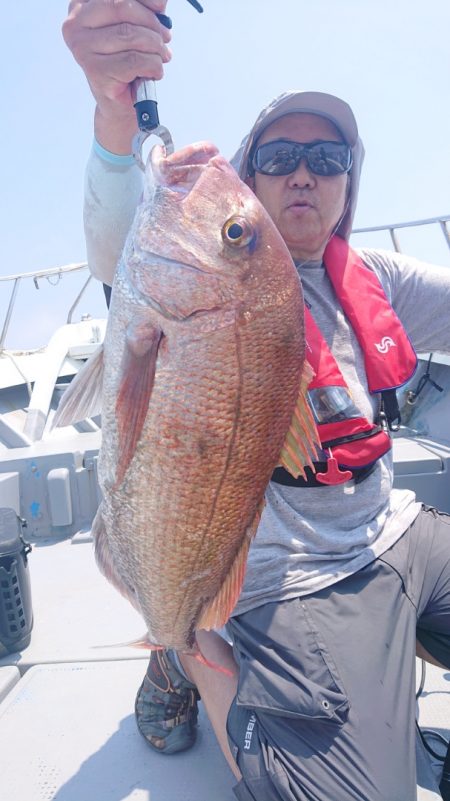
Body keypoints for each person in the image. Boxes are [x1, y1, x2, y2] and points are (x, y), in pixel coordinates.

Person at [63, 2, 450, 799]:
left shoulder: (380, 277)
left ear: (348, 181)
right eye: (279, 156)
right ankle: (183, 649)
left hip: (400, 530)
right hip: (295, 577)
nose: (303, 172)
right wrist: (113, 109)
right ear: (251, 173)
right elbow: (116, 232)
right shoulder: (179, 278)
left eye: (327, 157)